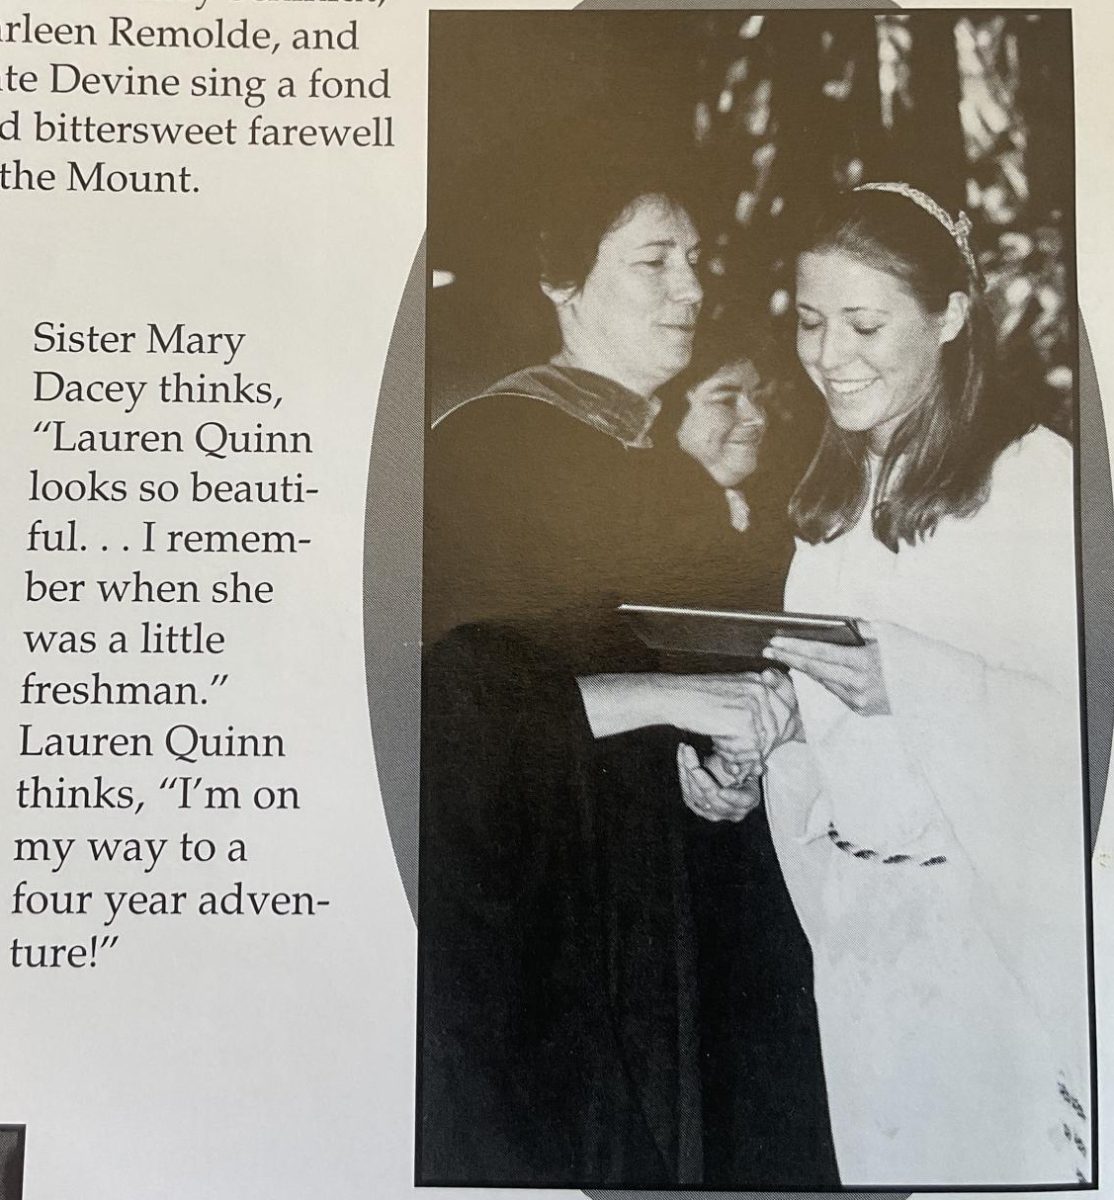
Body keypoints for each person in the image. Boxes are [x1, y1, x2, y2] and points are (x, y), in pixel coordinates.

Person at [418, 160, 836, 1187]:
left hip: (659, 924)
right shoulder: (485, 451)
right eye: (655, 262)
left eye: (695, 261)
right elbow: (448, 709)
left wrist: (716, 771)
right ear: (562, 280)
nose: (692, 289)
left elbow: (671, 681)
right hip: (549, 945)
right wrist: (672, 700)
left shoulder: (662, 478)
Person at [689, 183, 1092, 1186]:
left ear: (951, 313)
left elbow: (1086, 730)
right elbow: (837, 712)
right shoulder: (827, 505)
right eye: (812, 323)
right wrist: (765, 741)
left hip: (989, 946)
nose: (829, 356)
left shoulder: (1038, 480)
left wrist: (908, 683)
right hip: (862, 933)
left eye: (864, 324)